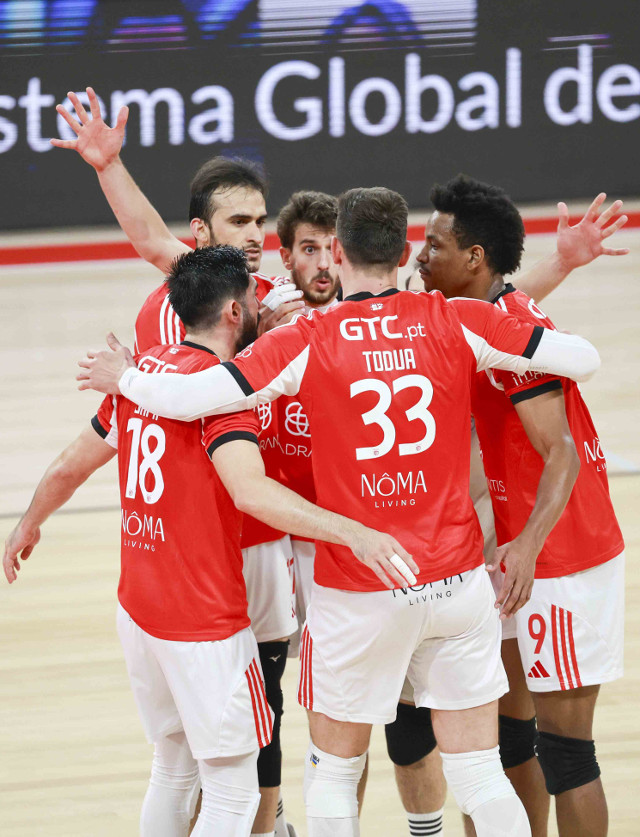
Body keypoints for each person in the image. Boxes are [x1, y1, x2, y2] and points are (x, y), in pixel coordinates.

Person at [77, 186, 603, 837]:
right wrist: (522, 327)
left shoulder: (310, 336)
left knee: (332, 775)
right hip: (457, 582)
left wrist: (126, 379)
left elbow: (197, 396)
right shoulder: (456, 318)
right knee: (480, 775)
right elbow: (583, 359)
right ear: (404, 252)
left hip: (360, 587)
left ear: (339, 251)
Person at [4, 245, 415, 837]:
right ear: (232, 313)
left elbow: (73, 464)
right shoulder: (224, 393)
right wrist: (354, 533)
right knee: (232, 794)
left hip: (138, 608)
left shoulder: (143, 373)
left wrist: (29, 521)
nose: (261, 306)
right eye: (253, 298)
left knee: (172, 771)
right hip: (202, 624)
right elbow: (251, 493)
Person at [52, 87, 305, 837]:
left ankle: (267, 819)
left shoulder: (271, 300)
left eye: (261, 221)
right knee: (217, 736)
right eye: (240, 222)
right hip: (193, 547)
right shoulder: (191, 295)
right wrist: (109, 166)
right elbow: (144, 235)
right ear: (199, 236)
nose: (257, 235)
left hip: (255, 533)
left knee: (256, 706)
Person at [387, 190, 629, 837]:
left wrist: (526, 544)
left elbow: (563, 453)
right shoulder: (487, 315)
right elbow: (500, 304)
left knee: (567, 753)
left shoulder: (517, 332)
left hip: (562, 553)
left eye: (435, 245)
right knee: (506, 737)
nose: (421, 256)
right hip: (517, 549)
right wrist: (564, 261)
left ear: (473, 257)